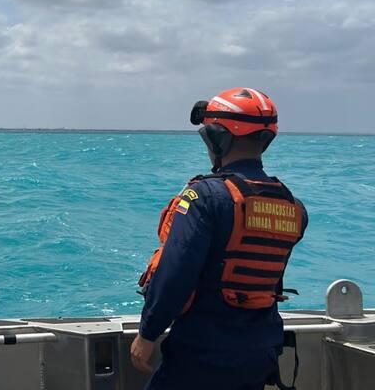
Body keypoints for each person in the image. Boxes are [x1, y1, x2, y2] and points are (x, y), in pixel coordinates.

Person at [131, 87, 308, 389]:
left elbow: (175, 273)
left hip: (202, 353)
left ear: (217, 138)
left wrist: (148, 333)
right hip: (260, 353)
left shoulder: (204, 197)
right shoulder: (293, 207)